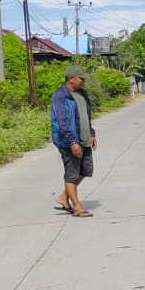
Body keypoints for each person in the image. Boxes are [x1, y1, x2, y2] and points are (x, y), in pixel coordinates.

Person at [50, 65, 97, 217]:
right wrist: (71, 142)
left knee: (85, 170)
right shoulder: (60, 96)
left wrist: (91, 133)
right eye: (80, 78)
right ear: (71, 78)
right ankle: (77, 207)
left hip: (84, 139)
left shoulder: (82, 94)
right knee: (72, 174)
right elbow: (61, 122)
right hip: (70, 142)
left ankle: (64, 197)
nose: (83, 81)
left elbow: (85, 117)